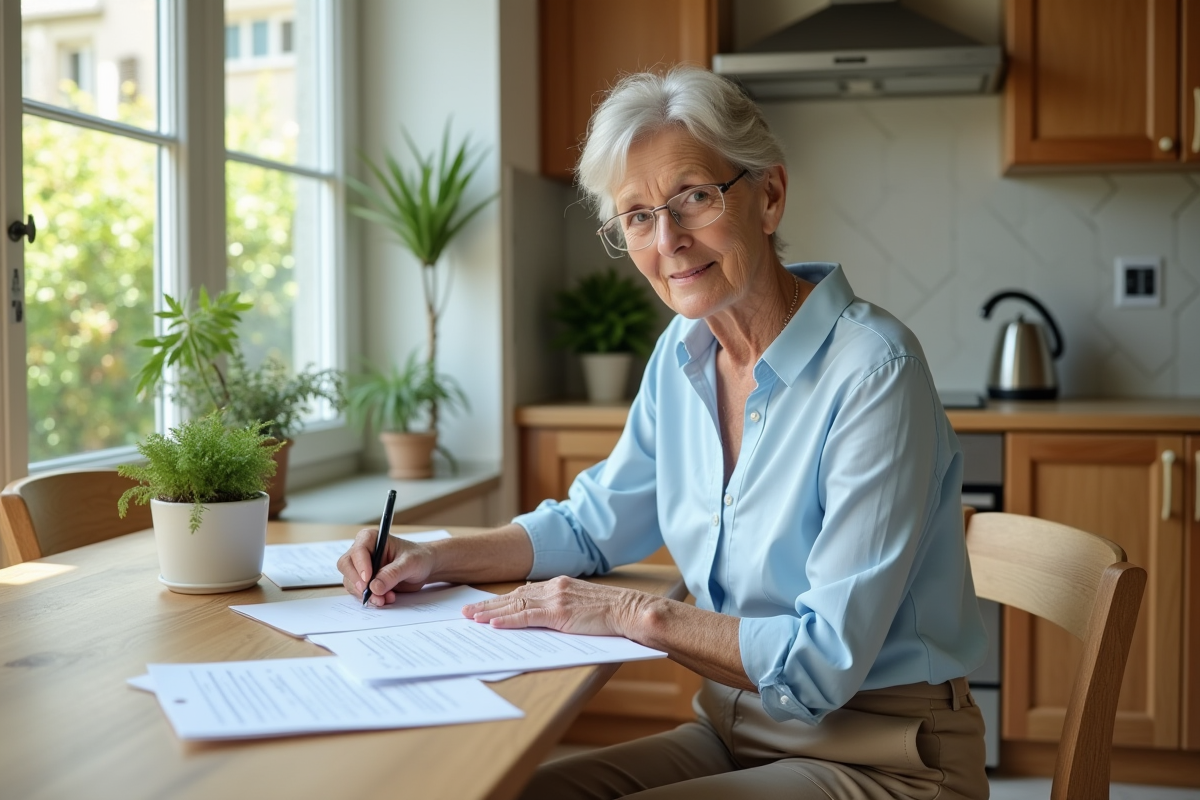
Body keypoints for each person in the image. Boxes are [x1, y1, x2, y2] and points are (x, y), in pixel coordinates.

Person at [338, 66, 989, 800]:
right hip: (733, 730)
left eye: (693, 198)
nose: (669, 240)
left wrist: (629, 612)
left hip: (886, 757)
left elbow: (820, 663)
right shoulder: (683, 356)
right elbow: (590, 528)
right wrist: (436, 555)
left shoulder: (874, 372)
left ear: (768, 196)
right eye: (638, 216)